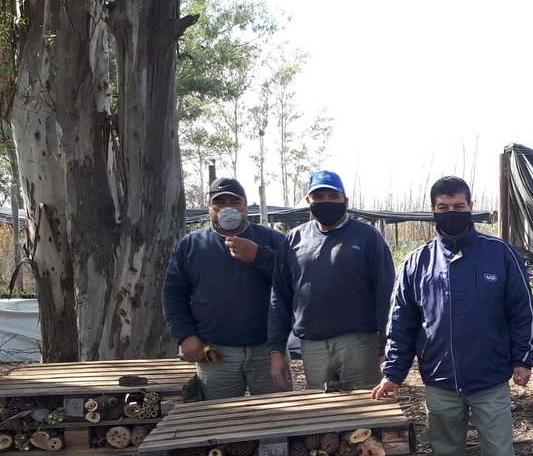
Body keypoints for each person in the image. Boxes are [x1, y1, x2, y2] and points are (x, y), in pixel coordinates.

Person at [371, 176, 533, 456]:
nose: (452, 214)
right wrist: (394, 373)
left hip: (489, 382)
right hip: (441, 384)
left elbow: (523, 310)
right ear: (433, 210)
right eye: (443, 208)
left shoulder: (499, 255)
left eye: (459, 207)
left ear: (471, 207)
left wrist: (524, 358)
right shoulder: (416, 262)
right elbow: (402, 323)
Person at [162, 177, 289, 400]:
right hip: (215, 353)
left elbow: (296, 279)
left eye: (235, 202)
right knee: (218, 420)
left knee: (279, 420)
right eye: (220, 202)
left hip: (268, 350)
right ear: (209, 208)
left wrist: (260, 256)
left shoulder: (272, 239)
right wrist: (185, 336)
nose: (228, 208)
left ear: (246, 206)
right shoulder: (190, 246)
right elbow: (173, 295)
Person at [268, 170, 395, 391]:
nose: (326, 202)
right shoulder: (294, 240)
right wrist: (277, 350)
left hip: (359, 343)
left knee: (363, 409)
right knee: (323, 409)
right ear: (308, 201)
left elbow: (386, 294)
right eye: (319, 197)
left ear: (345, 200)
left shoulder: (367, 237)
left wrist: (385, 348)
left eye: (333, 196)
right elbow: (280, 296)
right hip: (313, 345)